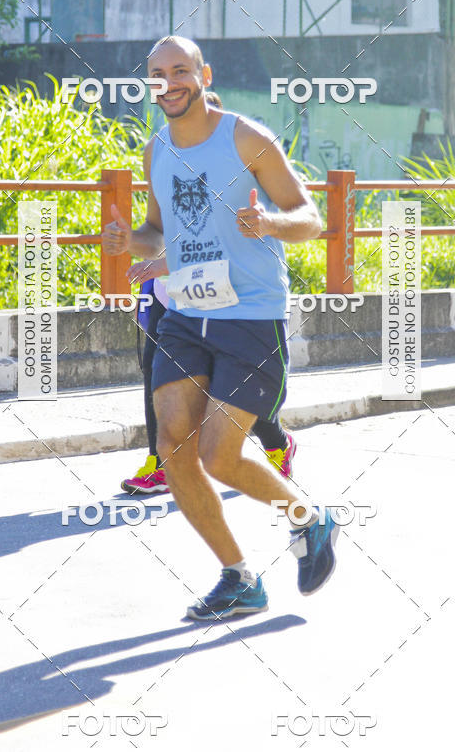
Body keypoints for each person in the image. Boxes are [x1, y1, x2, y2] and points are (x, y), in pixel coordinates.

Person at [102, 36, 339, 621]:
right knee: (172, 446)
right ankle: (238, 577)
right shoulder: (157, 147)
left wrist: (269, 223)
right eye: (158, 74)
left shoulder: (247, 138)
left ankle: (308, 519)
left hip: (250, 316)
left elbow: (312, 219)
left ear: (203, 74)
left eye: (180, 70)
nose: (170, 82)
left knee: (219, 455)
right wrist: (133, 242)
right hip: (184, 313)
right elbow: (160, 231)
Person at [121, 92, 296, 496]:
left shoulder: (230, 176)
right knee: (156, 378)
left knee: (235, 390)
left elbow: (218, 247)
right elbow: (157, 231)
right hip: (169, 298)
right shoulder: (164, 162)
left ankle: (276, 443)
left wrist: (165, 263)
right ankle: (160, 463)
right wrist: (136, 247)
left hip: (226, 301)